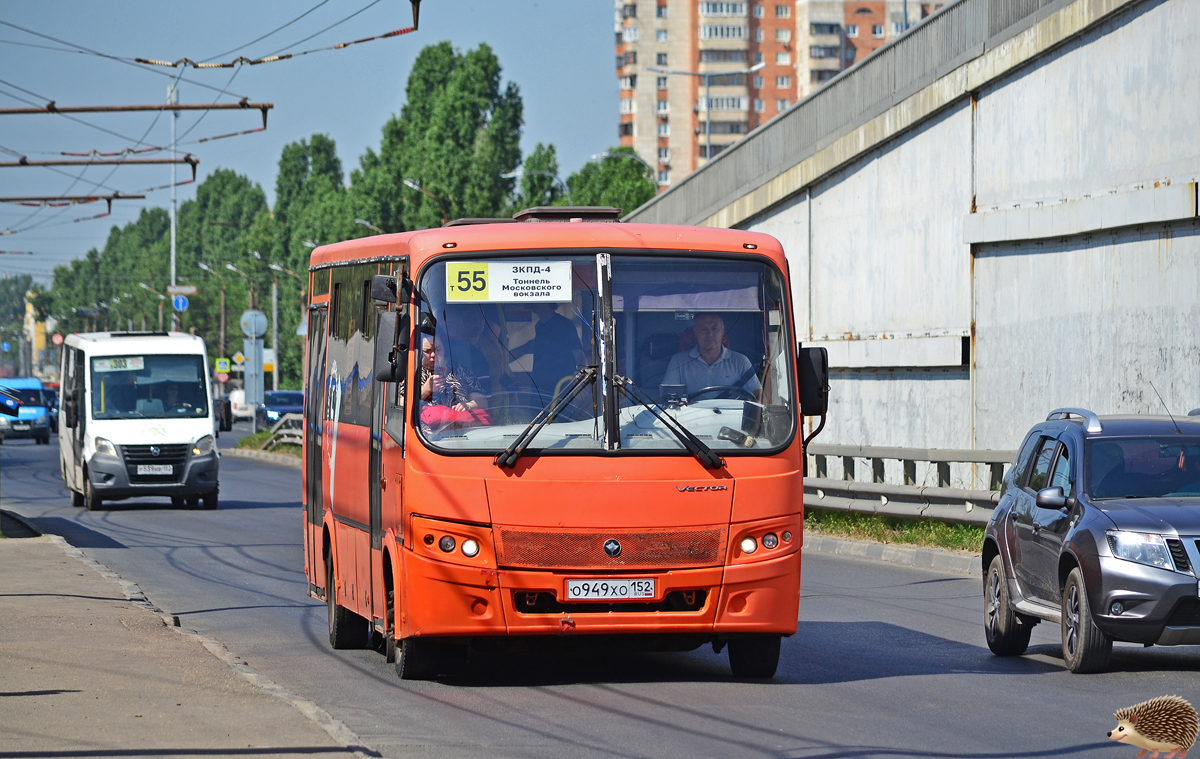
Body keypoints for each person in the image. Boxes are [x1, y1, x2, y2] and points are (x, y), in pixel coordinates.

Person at [662, 313, 761, 401]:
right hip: (690, 419)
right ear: (695, 332)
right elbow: (669, 398)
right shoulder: (678, 361)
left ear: (723, 330)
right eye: (704, 329)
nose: (709, 334)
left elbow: (758, 395)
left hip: (732, 418)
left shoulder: (740, 361)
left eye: (715, 328)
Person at [419, 335, 489, 431]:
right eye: (427, 351)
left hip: (466, 431)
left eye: (438, 350)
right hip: (428, 437)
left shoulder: (461, 369)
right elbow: (402, 404)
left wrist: (469, 405)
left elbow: (482, 401)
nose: (433, 354)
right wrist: (425, 389)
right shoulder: (413, 371)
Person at [526, 302, 585, 403]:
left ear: (548, 302)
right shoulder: (539, 326)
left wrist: (582, 376)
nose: (534, 304)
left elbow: (577, 351)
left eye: (538, 301)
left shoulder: (564, 324)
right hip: (539, 383)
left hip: (560, 383)